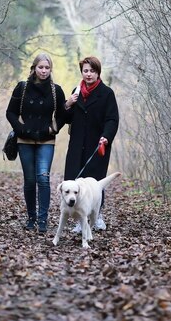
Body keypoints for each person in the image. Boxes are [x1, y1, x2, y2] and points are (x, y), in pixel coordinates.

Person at [6, 53, 66, 233]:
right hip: (24, 140)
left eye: (47, 68)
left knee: (43, 178)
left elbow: (62, 116)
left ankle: (42, 220)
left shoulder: (56, 90)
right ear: (34, 68)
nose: (44, 71)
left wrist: (52, 129)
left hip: (46, 140)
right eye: (41, 67)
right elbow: (10, 113)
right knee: (30, 180)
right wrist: (20, 129)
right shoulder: (22, 88)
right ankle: (31, 218)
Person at [63, 56, 119, 232]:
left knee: (95, 184)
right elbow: (66, 119)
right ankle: (81, 221)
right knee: (75, 184)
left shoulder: (107, 93)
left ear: (98, 72)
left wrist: (106, 136)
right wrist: (68, 104)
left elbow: (112, 119)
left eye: (92, 71)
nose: (88, 74)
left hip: (97, 145)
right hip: (76, 146)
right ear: (82, 72)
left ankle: (98, 216)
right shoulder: (76, 91)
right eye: (85, 71)